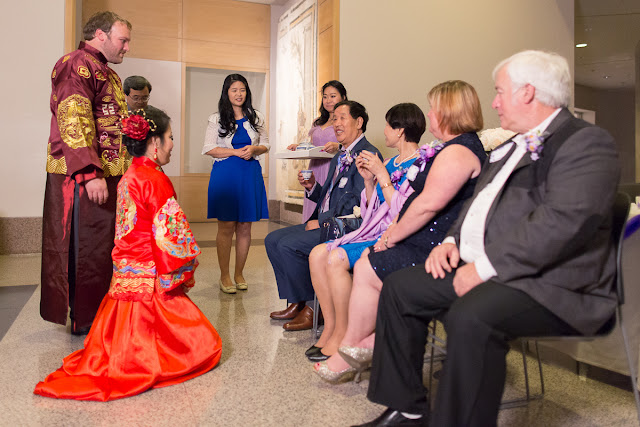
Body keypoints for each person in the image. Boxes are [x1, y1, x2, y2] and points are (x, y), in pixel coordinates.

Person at [358, 50, 620, 427]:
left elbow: (561, 223)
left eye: (500, 91)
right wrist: (450, 242)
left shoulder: (585, 143)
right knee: (401, 288)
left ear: (528, 92)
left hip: (552, 281)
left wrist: (483, 267)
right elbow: (475, 206)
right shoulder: (510, 145)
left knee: (472, 315)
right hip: (496, 266)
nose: (494, 101)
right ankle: (406, 407)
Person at [34, 106, 222, 401]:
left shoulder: (129, 175)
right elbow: (171, 237)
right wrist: (183, 266)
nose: (173, 144)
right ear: (155, 142)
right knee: (206, 345)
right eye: (170, 137)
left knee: (113, 344)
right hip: (151, 283)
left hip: (124, 279)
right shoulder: (156, 180)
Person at [313, 80, 487, 379]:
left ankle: (355, 345)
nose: (429, 116)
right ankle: (351, 342)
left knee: (368, 263)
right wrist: (372, 183)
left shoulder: (456, 152)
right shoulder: (447, 149)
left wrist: (392, 233)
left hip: (434, 243)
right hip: (421, 234)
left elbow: (426, 206)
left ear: (448, 112)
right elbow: (395, 207)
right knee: (365, 263)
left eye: (433, 109)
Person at [306, 103, 426, 362]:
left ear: (400, 130)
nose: (383, 130)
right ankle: (330, 327)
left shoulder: (420, 165)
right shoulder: (392, 161)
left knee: (334, 257)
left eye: (387, 125)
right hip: (373, 227)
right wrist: (370, 182)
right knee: (316, 254)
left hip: (394, 234)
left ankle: (344, 333)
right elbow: (373, 208)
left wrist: (381, 176)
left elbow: (404, 213)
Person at [40, 11, 132, 335]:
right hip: (81, 179)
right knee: (86, 249)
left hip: (106, 177)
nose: (126, 48)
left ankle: (100, 313)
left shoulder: (109, 74)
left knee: (102, 247)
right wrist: (90, 174)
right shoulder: (75, 64)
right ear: (101, 35)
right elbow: (73, 119)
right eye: (123, 40)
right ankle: (86, 319)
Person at [266, 101, 382, 331]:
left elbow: (357, 202)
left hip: (344, 227)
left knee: (290, 246)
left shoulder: (367, 154)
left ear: (359, 123)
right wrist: (312, 187)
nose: (336, 124)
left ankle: (313, 308)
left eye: (341, 118)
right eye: (334, 118)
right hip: (326, 220)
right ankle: (297, 301)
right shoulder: (340, 155)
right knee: (272, 240)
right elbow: (330, 197)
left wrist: (320, 221)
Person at [202, 74, 269, 294]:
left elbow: (266, 144)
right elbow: (208, 148)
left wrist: (255, 149)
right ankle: (224, 276)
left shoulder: (256, 116)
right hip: (226, 174)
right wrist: (234, 152)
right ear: (226, 93)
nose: (239, 94)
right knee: (226, 226)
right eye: (234, 90)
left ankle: (239, 273)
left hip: (250, 173)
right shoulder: (216, 118)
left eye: (242, 90)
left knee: (245, 226)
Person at [287, 81, 347, 222]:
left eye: (333, 96)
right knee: (312, 204)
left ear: (343, 98)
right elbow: (314, 145)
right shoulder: (318, 121)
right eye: (325, 97)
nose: (328, 100)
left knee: (328, 207)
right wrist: (300, 146)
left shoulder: (347, 120)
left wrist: (338, 146)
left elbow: (352, 145)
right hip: (315, 168)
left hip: (334, 168)